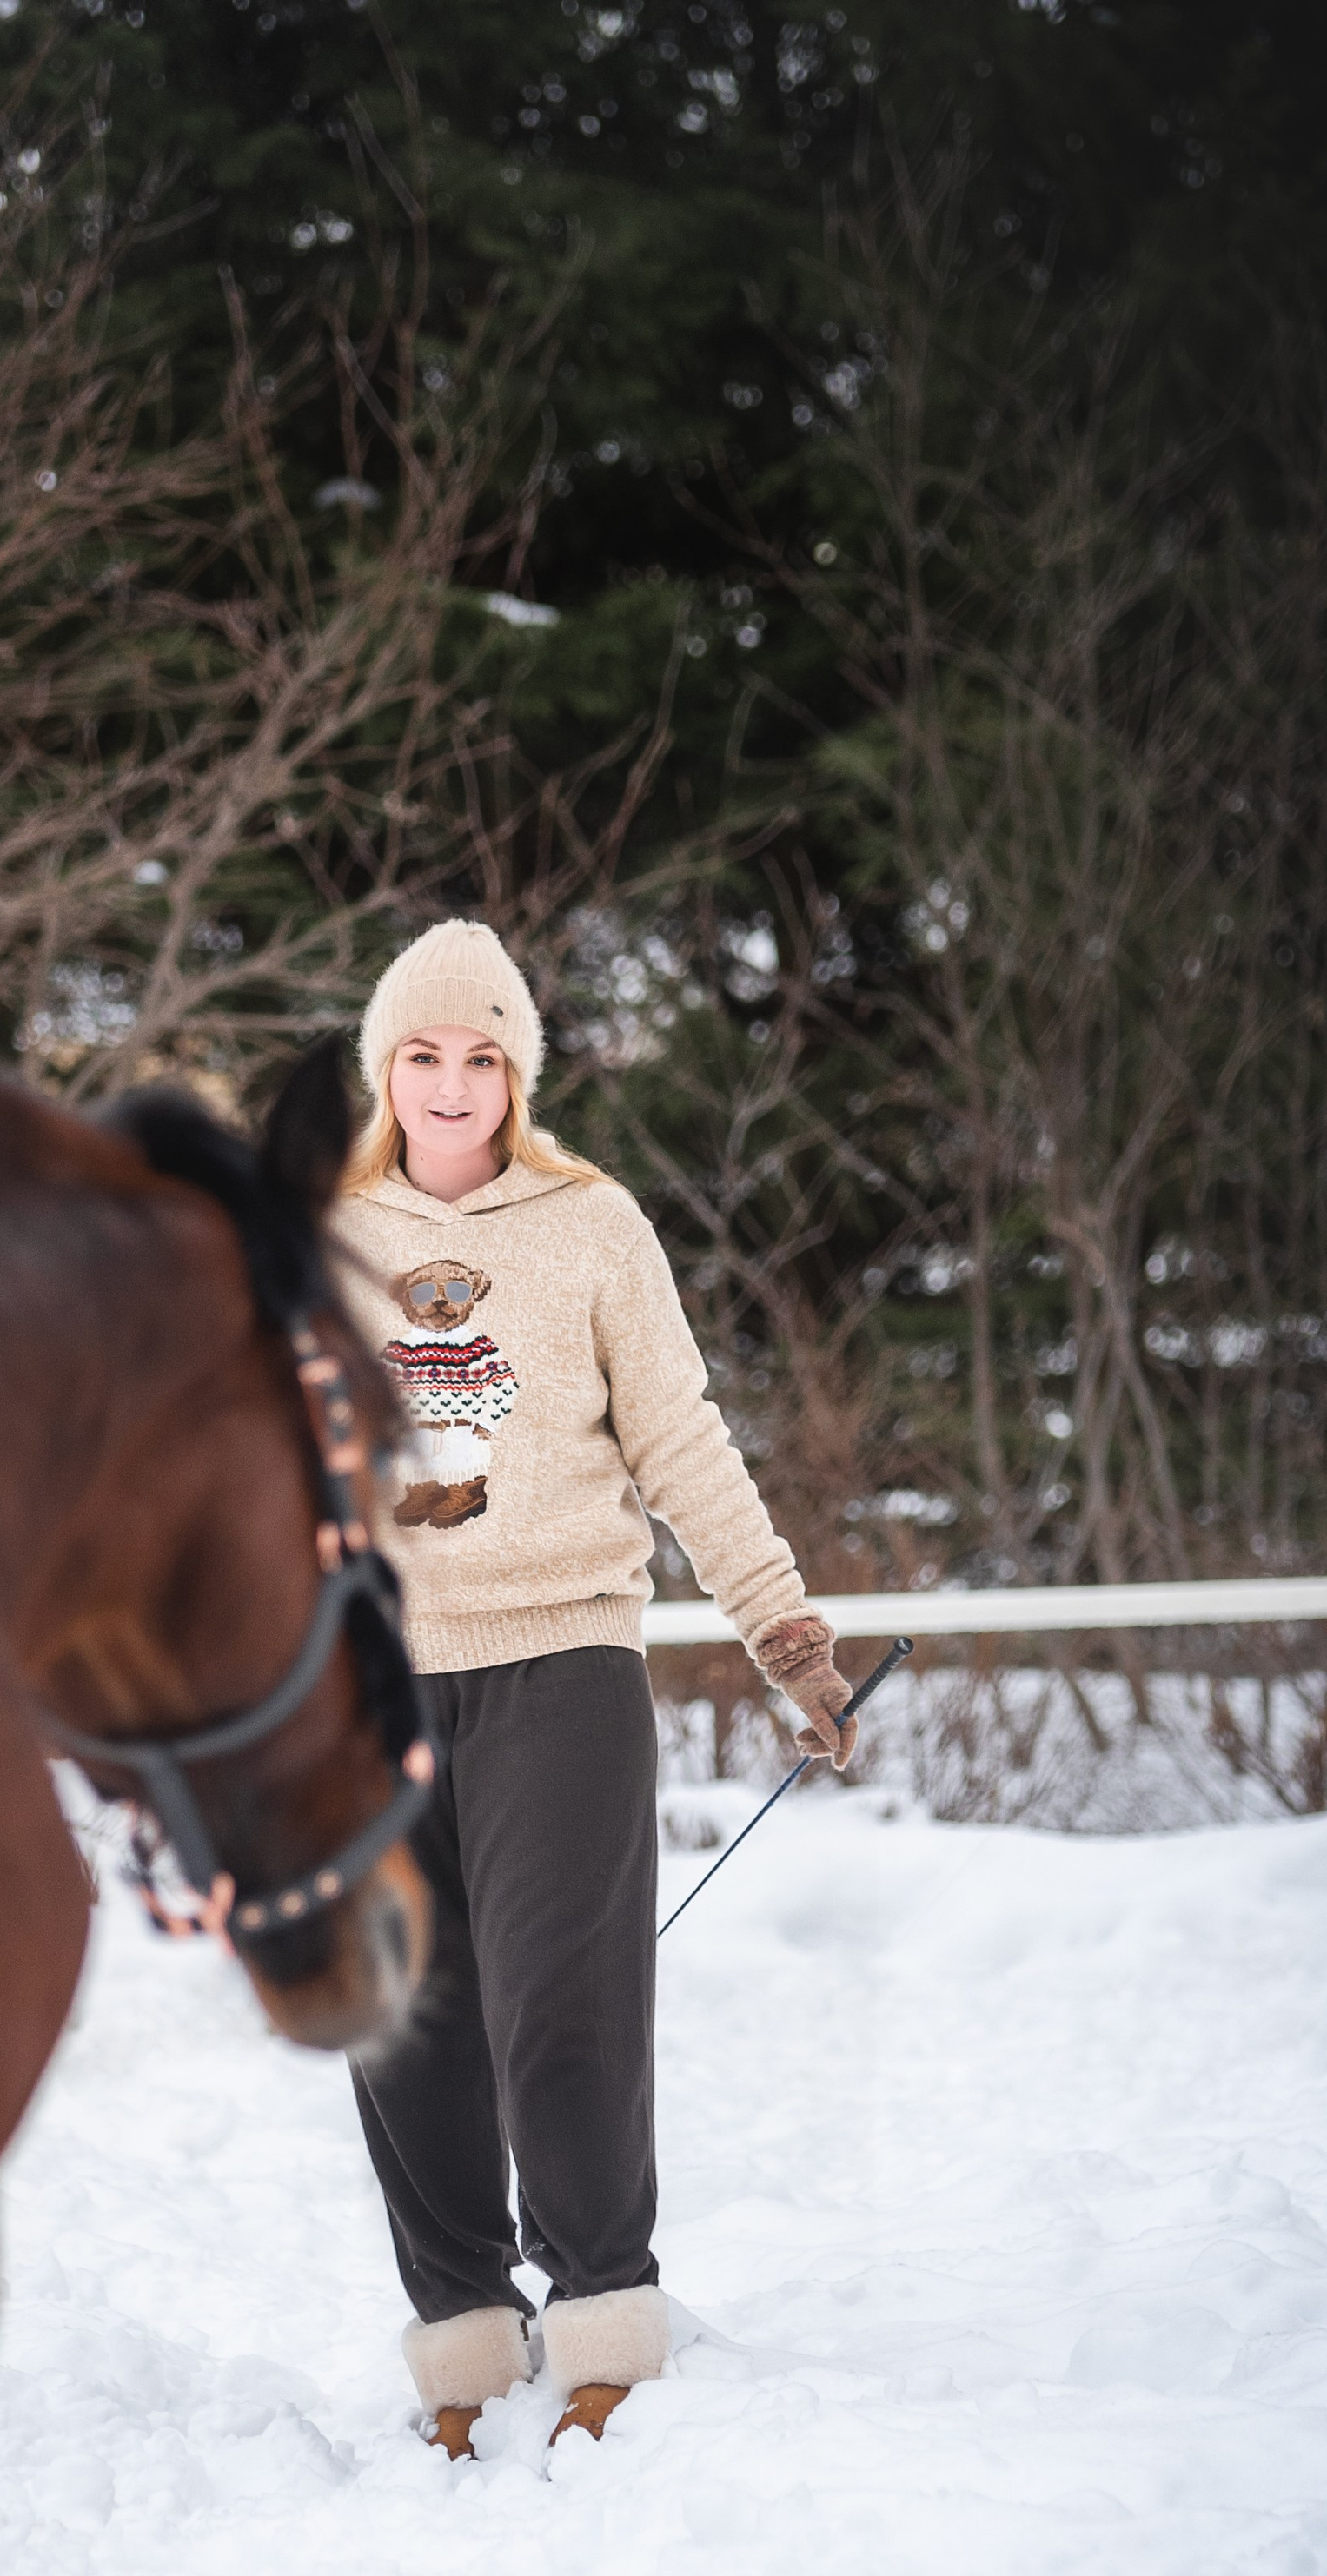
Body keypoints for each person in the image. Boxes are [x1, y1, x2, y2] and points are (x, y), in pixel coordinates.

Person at [328, 918, 857, 2457]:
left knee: (558, 2005)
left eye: (478, 1055)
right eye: (421, 1054)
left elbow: (682, 1440)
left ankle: (606, 2313)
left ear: (516, 1072)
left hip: (560, 1663)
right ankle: (466, 2342)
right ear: (387, 1068)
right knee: (407, 2021)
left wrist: (784, 1631)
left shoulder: (592, 1224)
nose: (449, 1082)